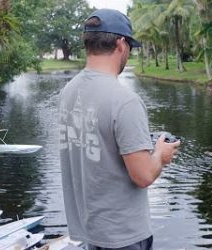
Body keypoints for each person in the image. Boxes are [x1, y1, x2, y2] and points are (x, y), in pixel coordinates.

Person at [58, 9, 181, 250]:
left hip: (89, 233)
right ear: (121, 44)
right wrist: (160, 155)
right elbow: (143, 175)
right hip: (124, 237)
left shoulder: (67, 93)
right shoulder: (125, 101)